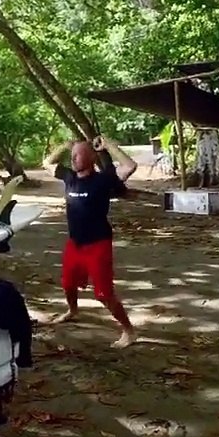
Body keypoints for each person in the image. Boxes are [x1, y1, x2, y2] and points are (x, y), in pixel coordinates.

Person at [42, 135, 139, 348]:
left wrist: (109, 146)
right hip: (75, 243)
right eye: (72, 155)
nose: (74, 158)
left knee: (103, 294)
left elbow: (130, 166)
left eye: (78, 154)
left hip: (98, 244)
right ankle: (73, 311)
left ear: (91, 157)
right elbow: (47, 163)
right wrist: (64, 146)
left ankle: (129, 331)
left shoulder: (103, 179)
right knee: (68, 284)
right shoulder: (69, 177)